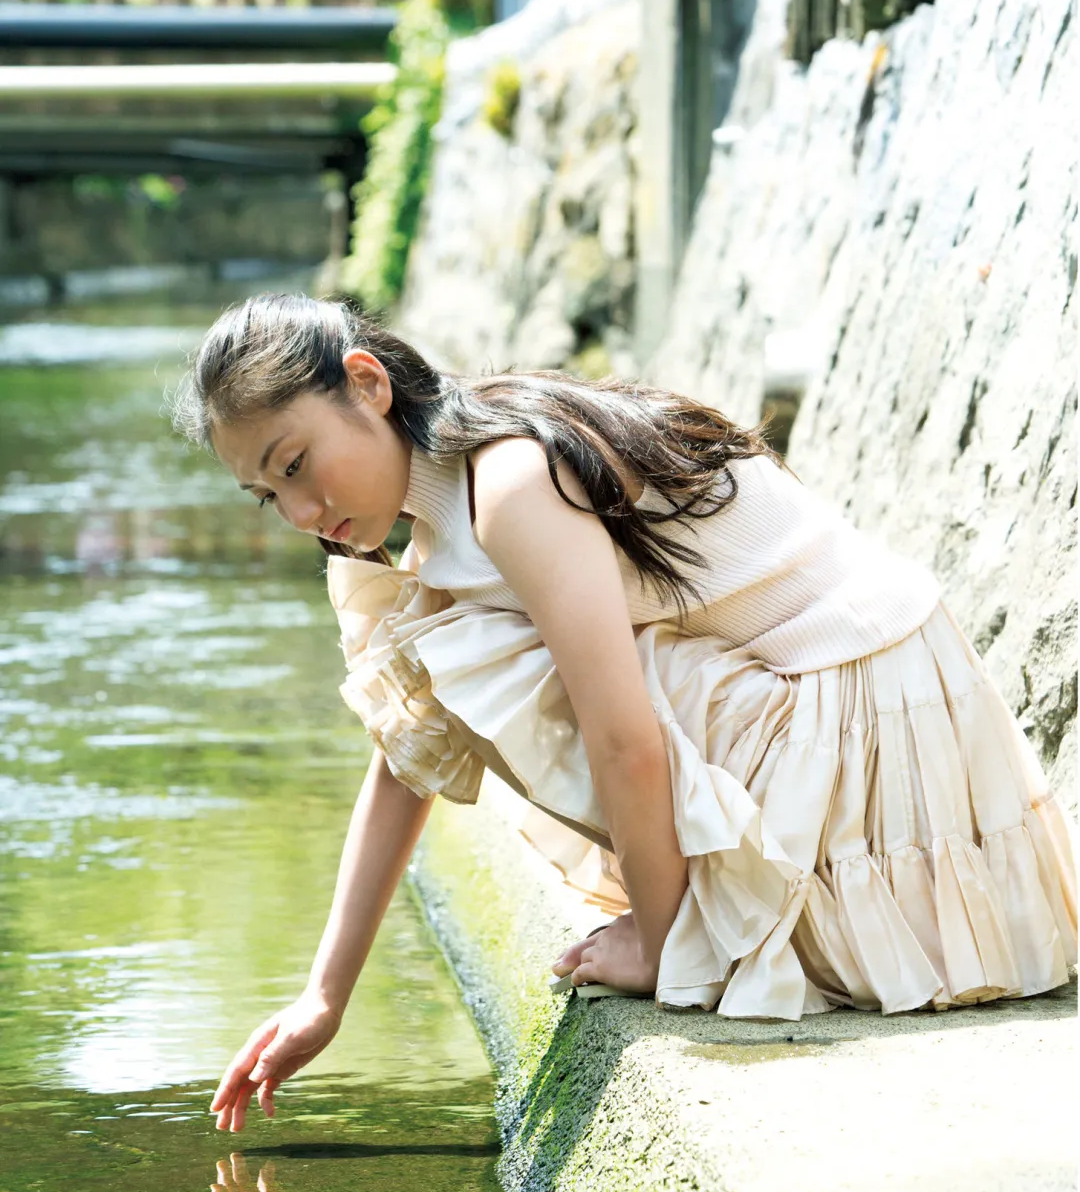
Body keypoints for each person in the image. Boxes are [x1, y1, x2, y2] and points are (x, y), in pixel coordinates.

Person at [173, 292, 1077, 1136]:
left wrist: (660, 936)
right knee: (448, 657)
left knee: (489, 662)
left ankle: (683, 906)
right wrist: (325, 997)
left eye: (295, 465)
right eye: (267, 495)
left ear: (367, 385)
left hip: (872, 713)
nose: (299, 511)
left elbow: (622, 737)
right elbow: (407, 749)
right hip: (854, 699)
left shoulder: (510, 479)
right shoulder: (451, 494)